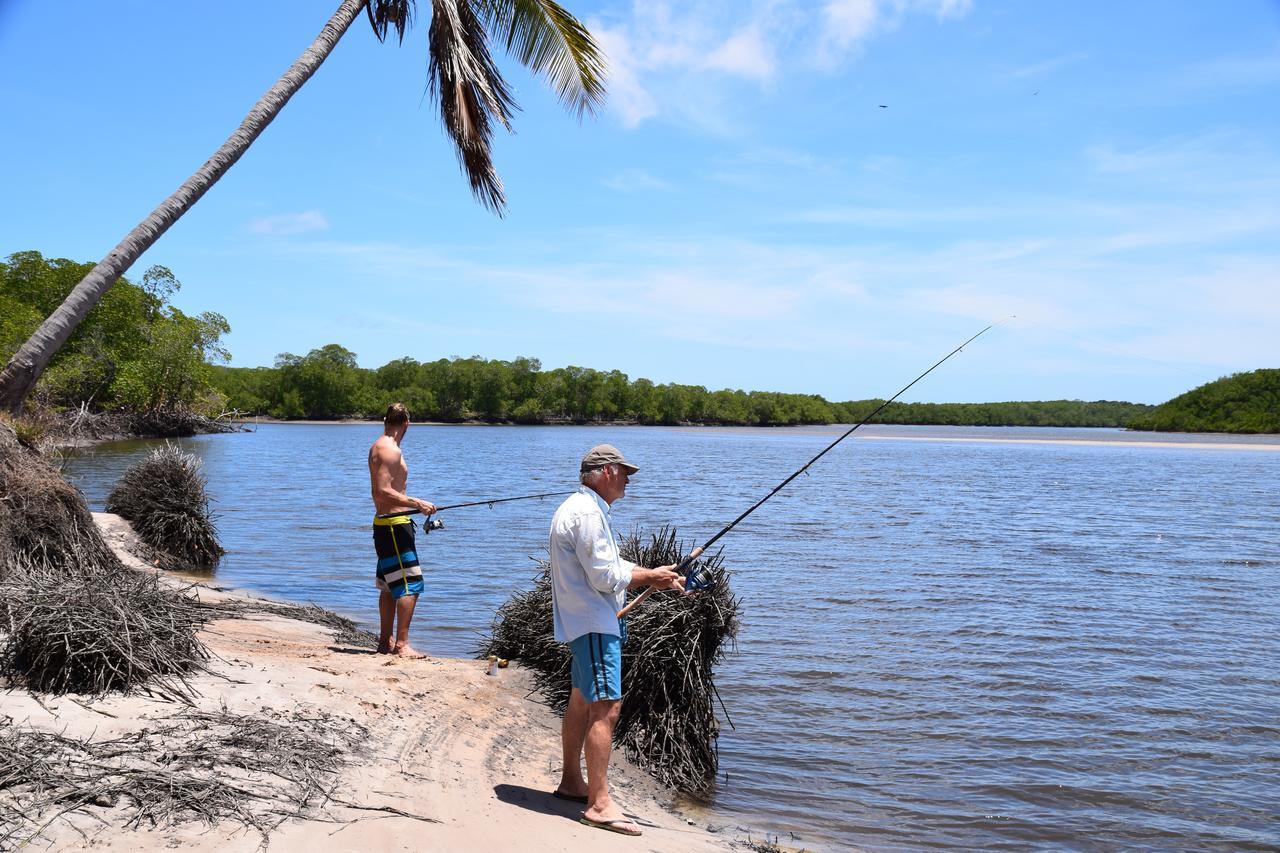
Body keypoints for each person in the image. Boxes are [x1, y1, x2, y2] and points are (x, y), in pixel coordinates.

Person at [549, 444, 683, 837]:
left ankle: (573, 782)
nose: (628, 479)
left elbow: (611, 567)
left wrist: (654, 574)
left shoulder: (582, 508)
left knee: (581, 698)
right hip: (593, 622)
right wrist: (651, 577)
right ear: (605, 471)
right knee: (606, 708)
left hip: (586, 619)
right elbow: (605, 576)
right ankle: (599, 803)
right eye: (624, 472)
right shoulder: (587, 514)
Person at [368, 402, 436, 657]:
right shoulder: (389, 450)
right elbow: (381, 492)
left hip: (387, 525)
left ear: (385, 419)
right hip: (395, 527)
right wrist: (417, 503)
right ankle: (402, 645)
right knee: (411, 584)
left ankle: (385, 642)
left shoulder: (381, 446)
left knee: (389, 586)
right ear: (406, 423)